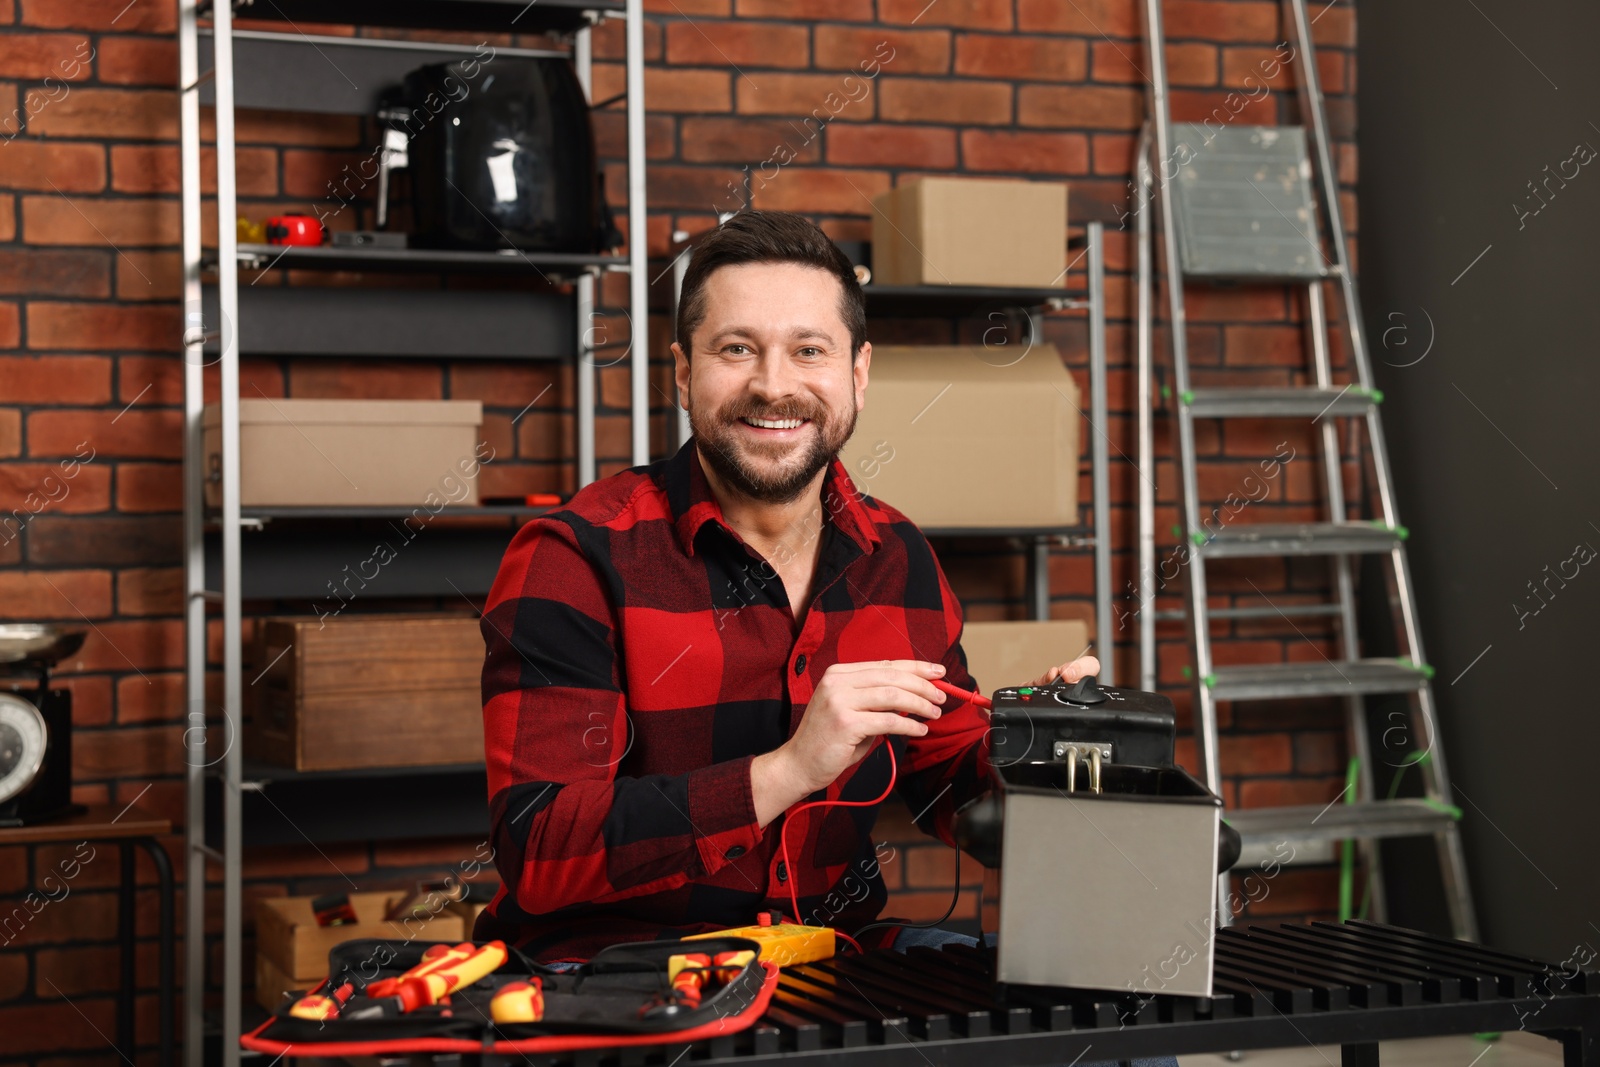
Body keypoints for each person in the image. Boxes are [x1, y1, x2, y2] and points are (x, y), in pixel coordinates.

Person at [473, 209, 1099, 965]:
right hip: (621, 973)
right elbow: (539, 849)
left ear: (857, 375)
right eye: (737, 349)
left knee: (1121, 1032)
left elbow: (953, 789)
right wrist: (787, 770)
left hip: (832, 957)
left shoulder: (894, 554)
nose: (774, 386)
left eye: (810, 350)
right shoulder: (576, 554)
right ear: (682, 372)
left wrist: (1039, 750)